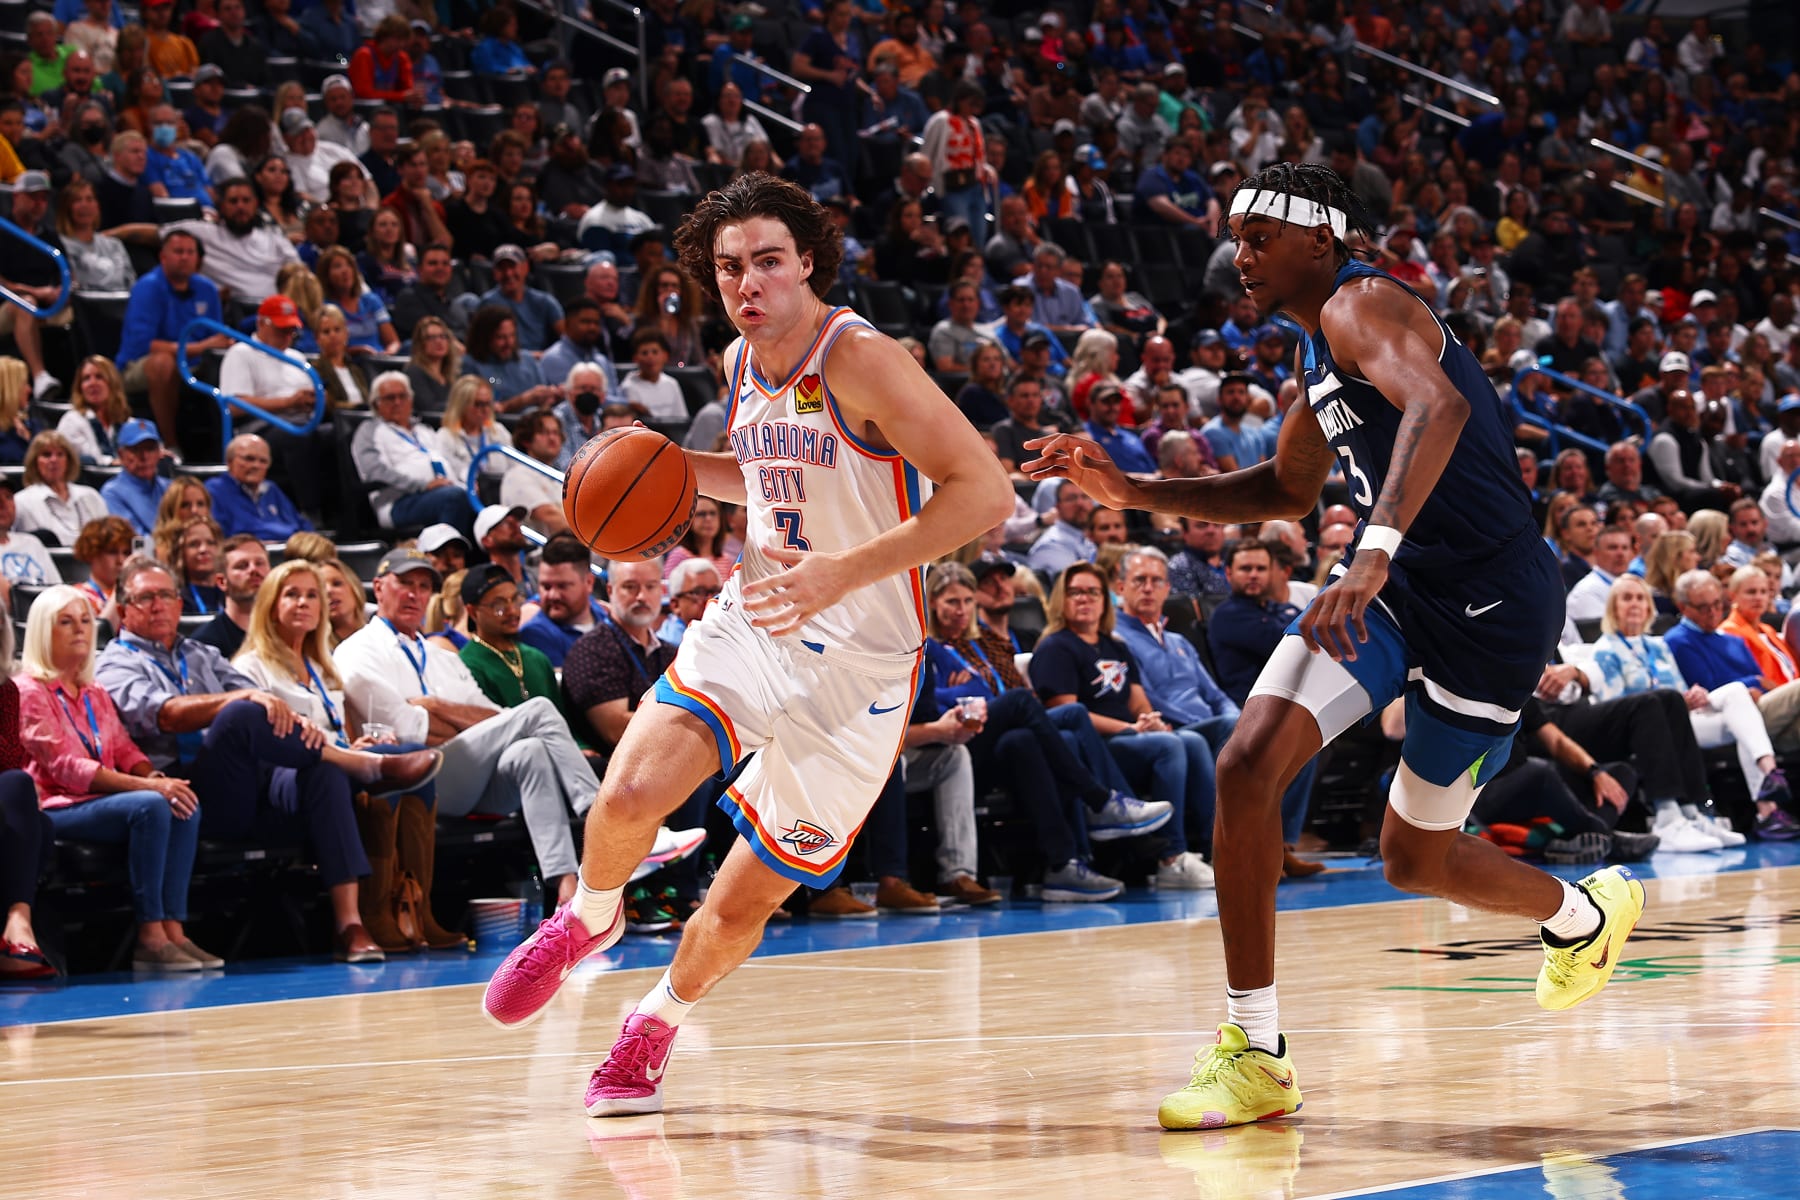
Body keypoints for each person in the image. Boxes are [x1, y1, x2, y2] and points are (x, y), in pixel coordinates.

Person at [1022, 163, 1644, 1131]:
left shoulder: (1364, 302)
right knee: (1246, 762)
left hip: (1490, 606)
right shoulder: (1317, 359)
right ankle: (1256, 1052)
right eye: (1234, 233)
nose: (1241, 252)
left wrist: (1374, 549)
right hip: (1392, 596)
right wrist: (1135, 493)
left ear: (1323, 237)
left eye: (1261, 232)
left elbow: (1436, 409)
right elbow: (1283, 490)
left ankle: (1581, 916)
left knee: (1414, 859)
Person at [480, 173, 1014, 1115]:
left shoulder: (861, 359)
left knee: (736, 905)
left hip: (864, 670)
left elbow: (982, 493)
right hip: (759, 617)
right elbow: (767, 477)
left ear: (807, 261)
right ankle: (590, 917)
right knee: (634, 788)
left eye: (768, 260)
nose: (748, 282)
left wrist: (845, 573)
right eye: (729, 268)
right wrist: (663, 468)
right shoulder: (737, 363)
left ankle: (656, 1020)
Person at [97, 556, 442, 963]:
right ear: (123, 610)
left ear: (179, 603)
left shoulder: (202, 654)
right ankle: (361, 765)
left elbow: (265, 704)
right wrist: (245, 700)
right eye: (145, 598)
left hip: (253, 786)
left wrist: (297, 722)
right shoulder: (115, 660)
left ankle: (355, 923)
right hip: (184, 790)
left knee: (326, 771)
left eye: (167, 595)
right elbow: (166, 714)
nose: (158, 605)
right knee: (241, 712)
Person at [334, 550, 617, 910]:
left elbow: (496, 716)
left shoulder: (444, 658)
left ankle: (566, 891)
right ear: (378, 587)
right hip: (411, 781)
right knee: (538, 711)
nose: (414, 594)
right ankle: (605, 825)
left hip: (465, 777)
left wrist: (437, 707)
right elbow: (410, 733)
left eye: (423, 586)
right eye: (404, 583)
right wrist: (464, 726)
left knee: (528, 751)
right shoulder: (357, 651)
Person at [17, 587, 220, 970]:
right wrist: (148, 787)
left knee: (180, 803)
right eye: (66, 622)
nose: (79, 630)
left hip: (98, 800)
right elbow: (66, 768)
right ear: (44, 631)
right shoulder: (28, 691)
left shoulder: (93, 691)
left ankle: (174, 930)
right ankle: (150, 938)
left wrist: (154, 776)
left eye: (83, 621)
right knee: (149, 805)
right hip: (55, 807)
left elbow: (125, 749)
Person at [1591, 573, 1798, 841]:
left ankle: (1765, 793)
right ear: (1612, 607)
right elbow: (1616, 709)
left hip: (1684, 719)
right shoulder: (1606, 650)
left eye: (1640, 598)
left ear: (1649, 607)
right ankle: (1766, 794)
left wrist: (1693, 696)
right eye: (1626, 598)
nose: (1634, 604)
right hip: (1644, 730)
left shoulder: (1658, 646)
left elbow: (1679, 688)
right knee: (1739, 699)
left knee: (1738, 701)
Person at [351, 371, 478, 538]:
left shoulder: (424, 430)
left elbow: (450, 460)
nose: (397, 402)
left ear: (411, 400)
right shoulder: (369, 431)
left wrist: (469, 479)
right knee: (454, 498)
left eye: (402, 396)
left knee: (484, 500)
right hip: (400, 502)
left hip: (445, 491)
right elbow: (375, 472)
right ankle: (445, 558)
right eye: (390, 398)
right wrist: (423, 485)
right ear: (376, 404)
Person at [14, 431, 107, 548]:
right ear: (34, 461)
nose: (54, 460)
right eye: (47, 455)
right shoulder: (21, 502)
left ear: (68, 460)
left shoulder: (90, 495)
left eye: (60, 454)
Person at [189, 534, 269, 659]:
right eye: (242, 566)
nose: (253, 569)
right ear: (222, 581)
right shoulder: (205, 645)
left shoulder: (287, 633)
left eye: (259, 563)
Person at [500, 411, 567, 537]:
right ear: (526, 440)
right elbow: (549, 516)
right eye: (544, 433)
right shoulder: (518, 475)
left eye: (556, 433)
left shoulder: (559, 477)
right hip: (543, 552)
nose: (552, 438)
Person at [99, 419, 170, 536]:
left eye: (150, 449)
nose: (144, 456)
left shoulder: (171, 488)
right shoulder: (112, 493)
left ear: (159, 453)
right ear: (121, 455)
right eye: (136, 449)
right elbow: (134, 541)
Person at [59, 356, 131, 465]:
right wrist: (112, 462)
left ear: (112, 383)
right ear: (80, 387)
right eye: (86, 378)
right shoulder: (71, 420)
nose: (92, 383)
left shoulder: (125, 421)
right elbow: (86, 460)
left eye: (99, 377)